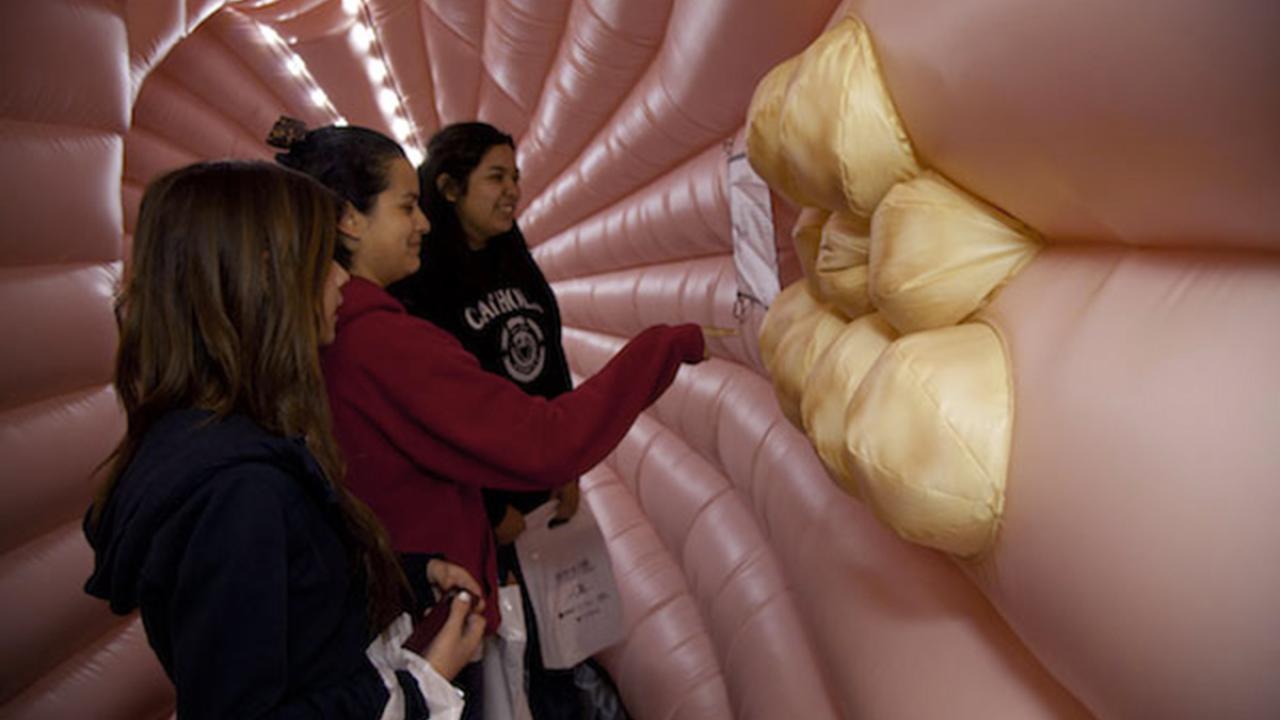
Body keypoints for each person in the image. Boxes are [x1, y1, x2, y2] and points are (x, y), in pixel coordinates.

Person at [271, 119, 705, 718]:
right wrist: (663, 347)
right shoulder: (382, 342)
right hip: (425, 635)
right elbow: (546, 441)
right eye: (405, 208)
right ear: (349, 219)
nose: (421, 223)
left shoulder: (317, 332)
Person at [83, 160, 485, 719]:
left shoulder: (219, 438)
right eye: (324, 260)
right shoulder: (236, 490)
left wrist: (413, 575)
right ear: (266, 275)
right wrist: (422, 684)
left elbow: (290, 598)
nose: (343, 278)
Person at [388, 121, 621, 720]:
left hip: (542, 497)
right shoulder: (423, 286)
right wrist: (491, 510)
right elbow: (440, 418)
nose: (512, 190)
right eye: (495, 177)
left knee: (559, 647)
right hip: (487, 514)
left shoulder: (515, 260)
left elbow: (550, 366)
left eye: (515, 177)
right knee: (511, 664)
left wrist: (569, 464)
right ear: (447, 187)